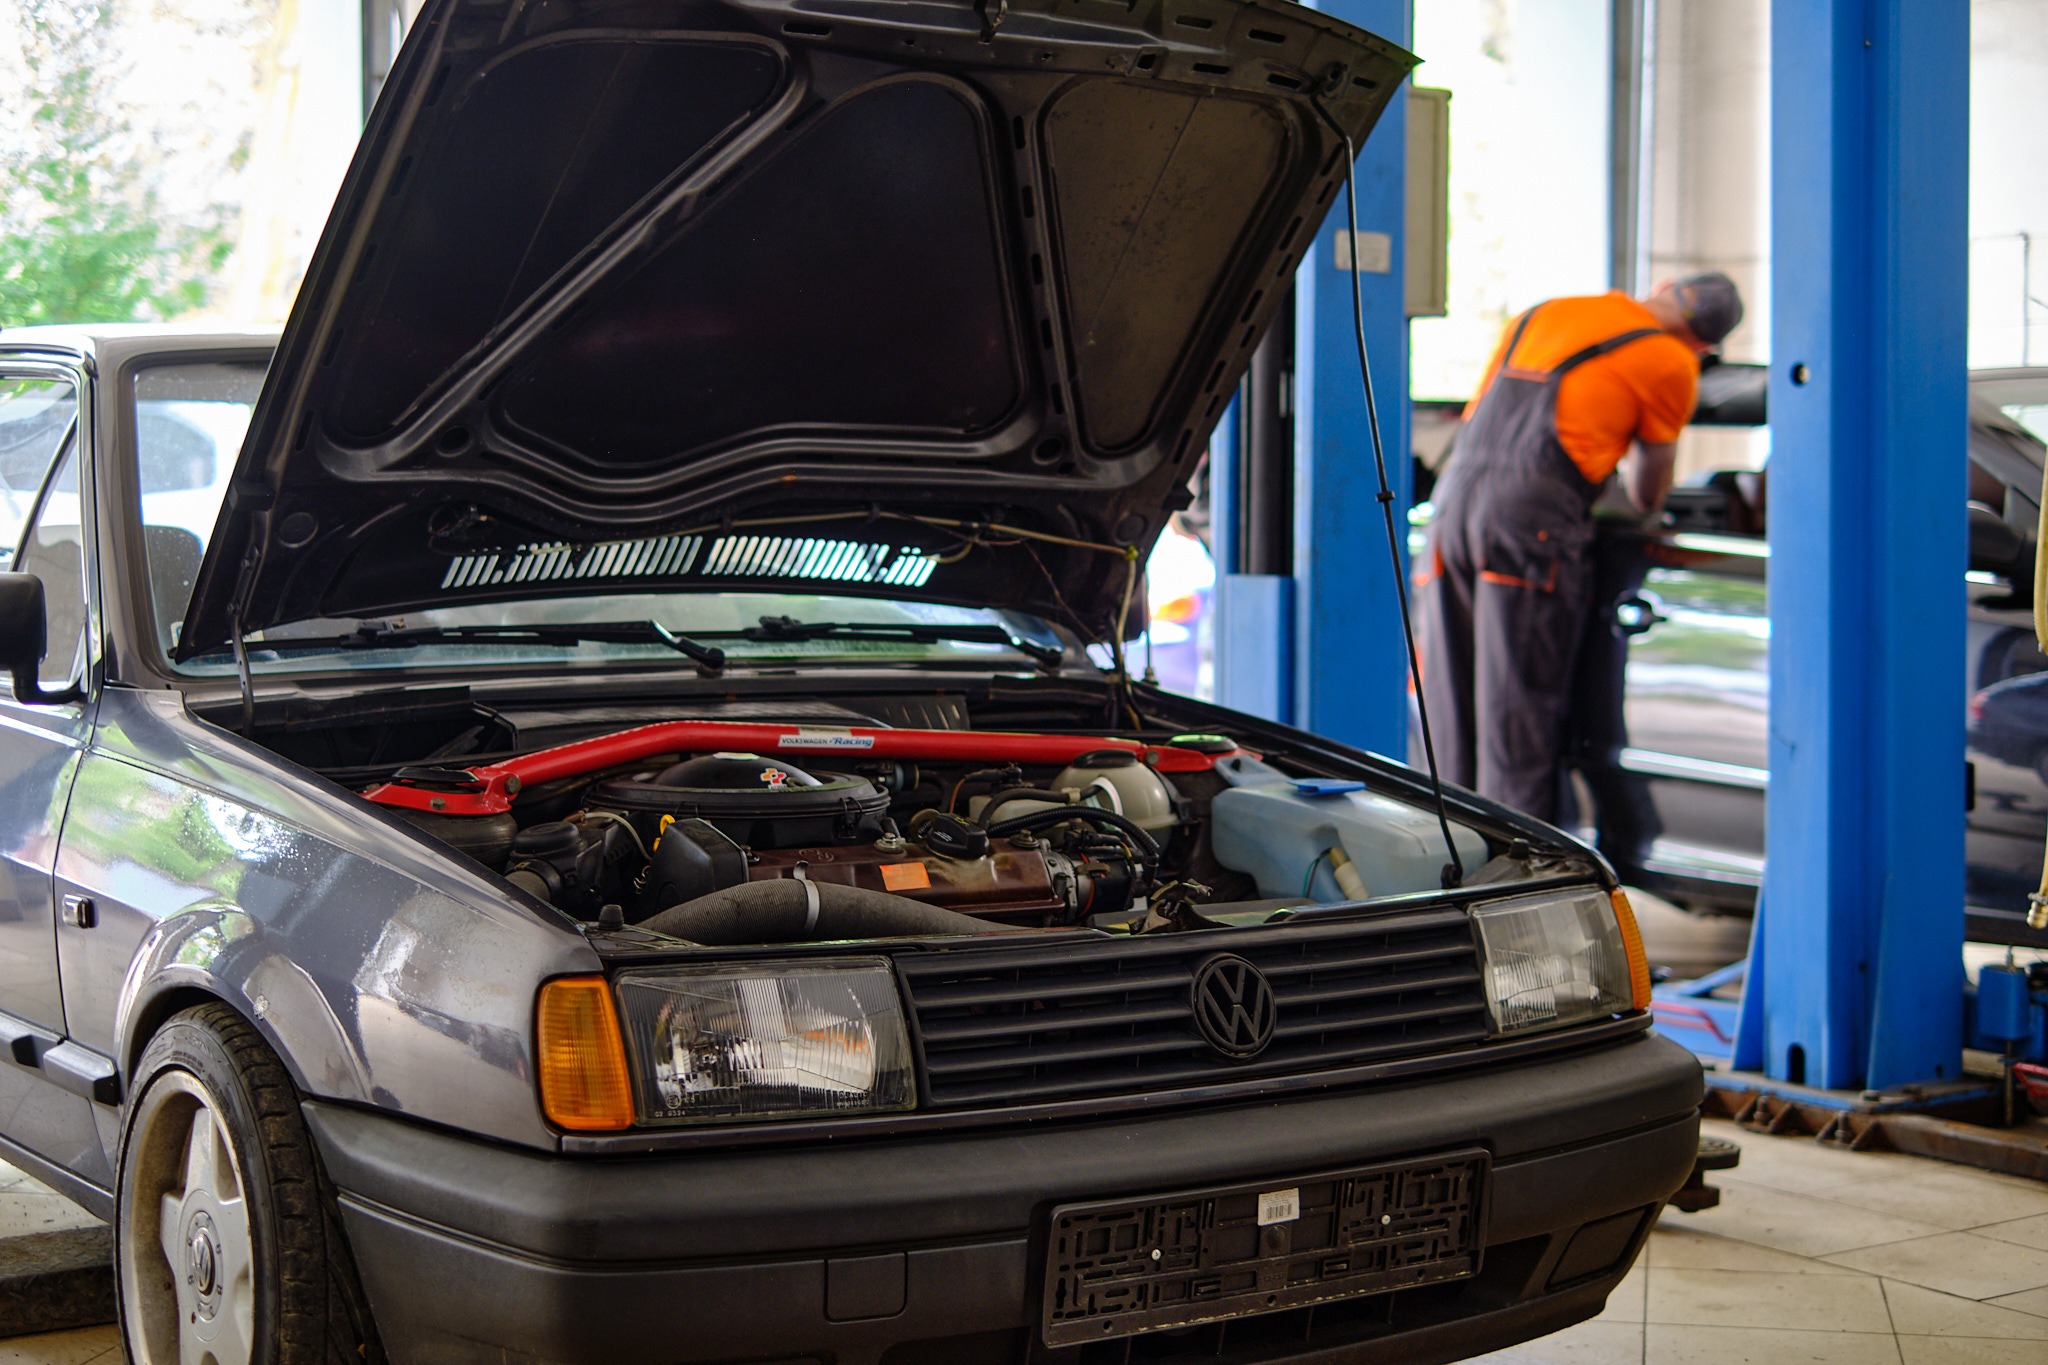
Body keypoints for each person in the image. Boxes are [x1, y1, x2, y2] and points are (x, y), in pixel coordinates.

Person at [1416, 272, 1744, 822]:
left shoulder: (1546, 311)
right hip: (1531, 526)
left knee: (1451, 708)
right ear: (1703, 345)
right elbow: (1647, 489)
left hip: (1451, 512)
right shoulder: (1670, 363)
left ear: (1663, 286)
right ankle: (1513, 877)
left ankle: (1453, 855)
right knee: (1516, 713)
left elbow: (1480, 415)